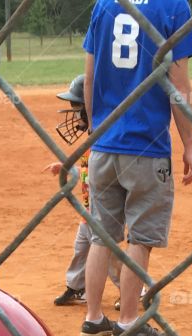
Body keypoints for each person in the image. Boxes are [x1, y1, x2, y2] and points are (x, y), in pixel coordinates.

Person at [79, 0, 192, 336]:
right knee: (141, 237)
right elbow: (178, 88)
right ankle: (129, 320)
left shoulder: (105, 4)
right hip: (146, 145)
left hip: (104, 143)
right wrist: (189, 146)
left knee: (101, 234)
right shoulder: (173, 5)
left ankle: (93, 318)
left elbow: (89, 78)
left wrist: (96, 131)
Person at [47, 75, 120, 308]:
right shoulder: (92, 138)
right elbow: (89, 168)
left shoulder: (105, 139)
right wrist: (68, 168)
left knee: (107, 254)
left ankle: (135, 289)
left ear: (92, 108)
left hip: (104, 208)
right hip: (89, 208)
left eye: (77, 107)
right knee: (81, 249)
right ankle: (77, 287)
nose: (72, 114)